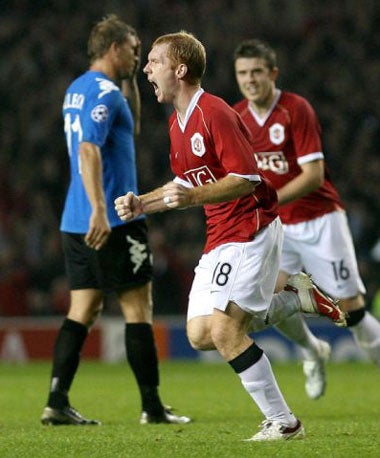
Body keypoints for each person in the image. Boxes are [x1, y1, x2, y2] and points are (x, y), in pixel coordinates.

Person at [114, 31, 345, 441]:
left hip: (249, 225)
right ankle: (292, 297)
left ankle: (284, 422)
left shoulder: (214, 112)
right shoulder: (177, 124)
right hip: (221, 232)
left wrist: (191, 197)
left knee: (224, 331)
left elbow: (246, 178)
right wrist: (142, 204)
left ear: (180, 70)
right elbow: (183, 183)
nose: (146, 69)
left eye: (154, 61)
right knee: (201, 334)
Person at [40, 14, 190, 426]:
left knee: (83, 309)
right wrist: (102, 211)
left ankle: (56, 401)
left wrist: (130, 87)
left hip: (74, 220)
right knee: (138, 308)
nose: (140, 57)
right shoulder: (107, 93)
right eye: (134, 49)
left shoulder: (78, 89)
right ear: (113, 49)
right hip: (114, 218)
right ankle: (152, 408)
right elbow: (89, 149)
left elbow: (125, 130)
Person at [232, 39, 380, 394]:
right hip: (277, 227)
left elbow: (313, 175)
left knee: (352, 310)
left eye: (256, 72)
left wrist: (269, 200)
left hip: (320, 220)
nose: (249, 79)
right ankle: (312, 350)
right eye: (242, 73)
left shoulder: (295, 110)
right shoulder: (236, 117)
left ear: (273, 73)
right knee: (269, 298)